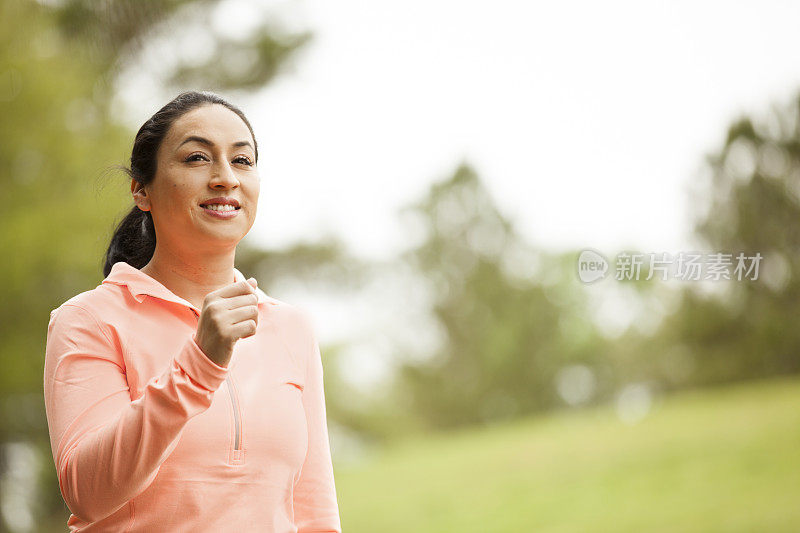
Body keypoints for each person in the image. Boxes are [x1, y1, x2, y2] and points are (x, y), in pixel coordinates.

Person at [42, 91, 342, 532]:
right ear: (141, 190)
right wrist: (199, 364)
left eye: (242, 161)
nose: (225, 178)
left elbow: (315, 514)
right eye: (198, 158)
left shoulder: (290, 328)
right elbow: (88, 492)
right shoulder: (88, 320)